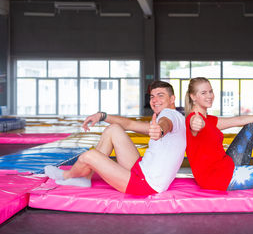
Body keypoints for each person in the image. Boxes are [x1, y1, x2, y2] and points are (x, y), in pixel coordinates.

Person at [45, 80, 186, 196]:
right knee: (114, 129)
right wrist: (102, 116)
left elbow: (165, 124)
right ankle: (85, 177)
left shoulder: (170, 115)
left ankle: (68, 176)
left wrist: (160, 130)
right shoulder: (173, 116)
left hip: (146, 185)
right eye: (152, 96)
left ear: (172, 99)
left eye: (160, 95)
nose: (155, 100)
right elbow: (129, 124)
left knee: (89, 156)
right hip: (142, 169)